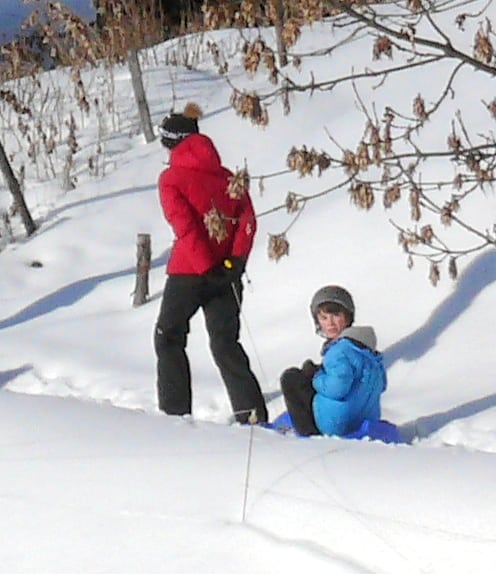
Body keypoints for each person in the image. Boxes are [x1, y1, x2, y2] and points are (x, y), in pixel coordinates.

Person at [153, 104, 267, 423]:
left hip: (189, 272)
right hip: (228, 273)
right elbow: (248, 219)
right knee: (225, 343)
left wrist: (206, 267)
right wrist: (236, 262)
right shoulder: (228, 176)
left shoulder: (171, 178)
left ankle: (175, 416)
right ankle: (253, 416)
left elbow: (186, 226)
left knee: (169, 336)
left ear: (171, 143)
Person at [276, 286, 393, 442]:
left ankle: (308, 435)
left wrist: (316, 377)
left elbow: (337, 389)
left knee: (291, 378)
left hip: (335, 424)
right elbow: (382, 384)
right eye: (324, 318)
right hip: (364, 418)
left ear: (348, 316)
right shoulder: (367, 349)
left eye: (336, 315)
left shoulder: (339, 351)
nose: (330, 323)